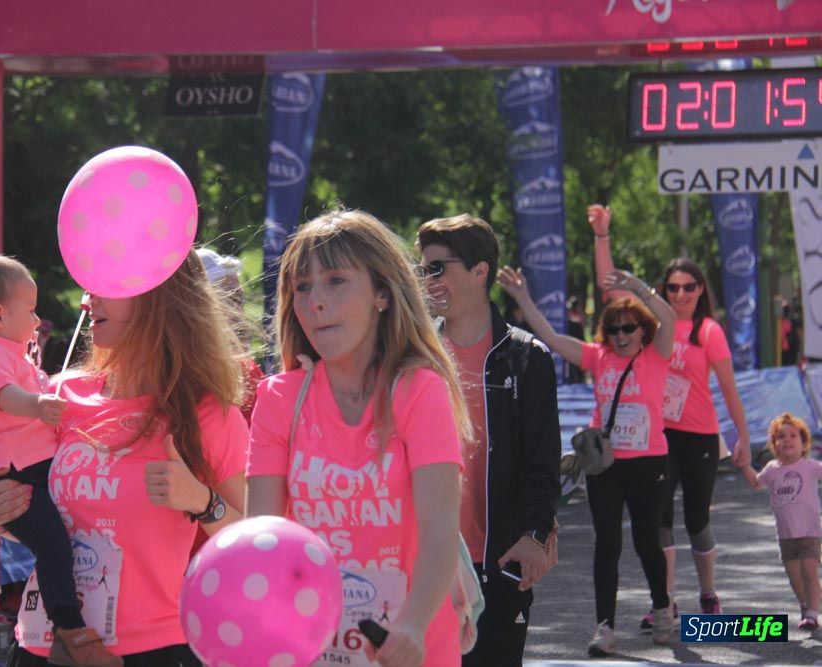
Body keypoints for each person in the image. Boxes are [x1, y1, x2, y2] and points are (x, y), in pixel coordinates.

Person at [0, 249, 249, 667]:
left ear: (160, 297)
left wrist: (202, 501)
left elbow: (256, 538)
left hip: (148, 650)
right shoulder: (58, 396)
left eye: (109, 287)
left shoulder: (208, 413)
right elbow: (33, 518)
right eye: (90, 286)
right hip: (44, 645)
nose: (88, 299)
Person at [246, 210, 472, 667]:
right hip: (308, 648)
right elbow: (262, 542)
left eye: (335, 281)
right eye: (302, 286)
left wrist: (410, 625)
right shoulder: (276, 399)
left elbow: (440, 531)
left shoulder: (419, 391)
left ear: (382, 295)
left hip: (413, 646)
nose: (315, 302)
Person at [0, 252, 119, 667]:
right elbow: (4, 397)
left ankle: (67, 634)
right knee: (55, 547)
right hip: (17, 473)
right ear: (0, 315)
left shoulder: (3, 353)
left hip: (26, 469)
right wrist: (37, 405)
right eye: (32, 309)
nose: (38, 320)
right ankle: (72, 634)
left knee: (57, 545)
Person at [499, 264, 677, 654]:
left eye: (629, 328)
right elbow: (548, 337)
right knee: (607, 543)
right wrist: (522, 297)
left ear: (642, 330)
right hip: (604, 463)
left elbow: (669, 317)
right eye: (614, 329)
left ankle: (663, 608)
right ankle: (605, 627)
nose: (621, 336)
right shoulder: (598, 357)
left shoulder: (657, 355)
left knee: (648, 541)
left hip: (649, 462)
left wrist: (637, 287)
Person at [589, 205, 751, 625]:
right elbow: (611, 290)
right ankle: (667, 601)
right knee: (659, 521)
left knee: (696, 519)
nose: (680, 295)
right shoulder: (648, 325)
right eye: (673, 288)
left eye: (688, 287)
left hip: (698, 435)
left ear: (701, 291)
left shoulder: (707, 332)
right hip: (657, 438)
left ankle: (708, 593)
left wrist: (744, 440)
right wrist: (602, 236)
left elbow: (730, 389)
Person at [416, 214, 561, 667]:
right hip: (426, 565)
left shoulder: (527, 356)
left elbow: (543, 462)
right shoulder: (415, 356)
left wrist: (535, 535)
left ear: (480, 272)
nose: (428, 280)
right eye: (423, 270)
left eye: (438, 268)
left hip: (499, 566)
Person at [740, 412, 822, 631]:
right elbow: (756, 483)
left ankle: (813, 614)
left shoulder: (811, 466)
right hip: (786, 535)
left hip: (810, 531)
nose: (787, 440)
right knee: (794, 576)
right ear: (774, 445)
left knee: (809, 570)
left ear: (804, 443)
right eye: (781, 436)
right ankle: (805, 605)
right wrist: (744, 466)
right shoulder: (772, 469)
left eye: (793, 436)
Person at [197, 246, 265, 423]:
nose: (239, 312)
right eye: (228, 300)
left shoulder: (248, 371)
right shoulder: (176, 381)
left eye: (240, 300)